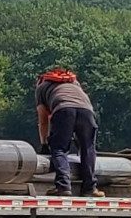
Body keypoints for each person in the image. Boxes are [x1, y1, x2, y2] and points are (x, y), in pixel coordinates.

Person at [35, 66, 99, 195]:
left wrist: (44, 144)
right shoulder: (74, 83)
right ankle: (90, 188)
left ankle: (63, 186)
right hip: (87, 111)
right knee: (87, 148)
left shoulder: (41, 88)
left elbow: (43, 121)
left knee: (59, 148)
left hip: (63, 110)